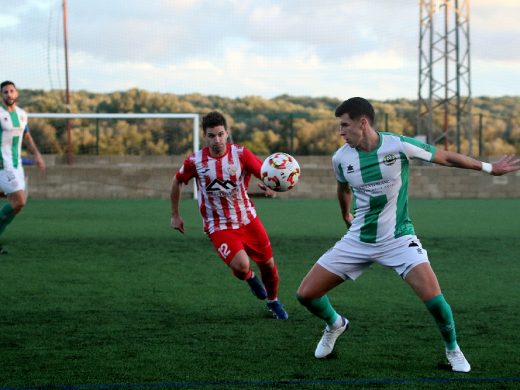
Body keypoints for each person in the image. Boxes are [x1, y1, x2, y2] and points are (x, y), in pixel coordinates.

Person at [296, 97, 520, 372]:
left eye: (345, 125)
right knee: (306, 295)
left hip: (398, 239)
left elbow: (445, 157)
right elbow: (343, 189)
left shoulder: (397, 145)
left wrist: (489, 168)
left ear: (363, 122)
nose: (340, 132)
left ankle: (453, 350)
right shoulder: (341, 158)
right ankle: (335, 324)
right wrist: (345, 214)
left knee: (437, 302)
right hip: (359, 239)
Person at [170, 111, 288, 320]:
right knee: (242, 266)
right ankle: (249, 277)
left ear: (227, 133)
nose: (216, 140)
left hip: (247, 219)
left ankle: (273, 301)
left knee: (269, 265)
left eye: (220, 134)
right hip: (219, 225)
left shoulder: (241, 154)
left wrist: (271, 187)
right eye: (211, 136)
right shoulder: (195, 162)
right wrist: (175, 215)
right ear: (204, 137)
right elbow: (177, 181)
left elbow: (265, 174)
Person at [0, 81, 45, 253]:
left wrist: (37, 155)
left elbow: (27, 137)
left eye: (11, 91)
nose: (9, 95)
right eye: (5, 92)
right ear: (1, 96)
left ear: (16, 93)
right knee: (19, 201)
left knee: (17, 205)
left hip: (17, 165)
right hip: (3, 165)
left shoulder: (22, 114)